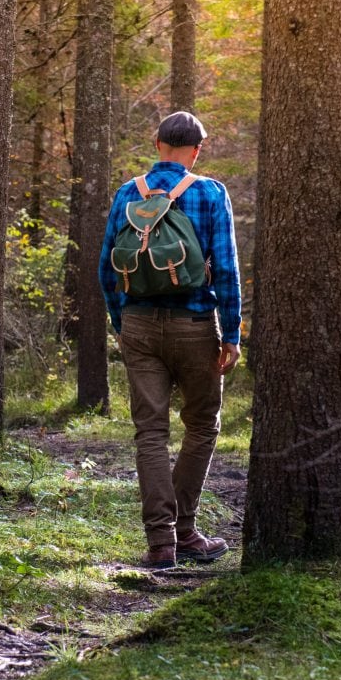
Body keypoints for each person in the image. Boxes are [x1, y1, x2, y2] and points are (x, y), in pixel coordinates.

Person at [97, 110, 243, 568]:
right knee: (201, 425)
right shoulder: (209, 191)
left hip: (138, 324)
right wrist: (232, 332)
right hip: (196, 324)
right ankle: (185, 530)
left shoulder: (127, 193)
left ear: (157, 144)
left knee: (150, 432)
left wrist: (123, 324)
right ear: (197, 150)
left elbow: (106, 268)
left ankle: (161, 543)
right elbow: (228, 268)